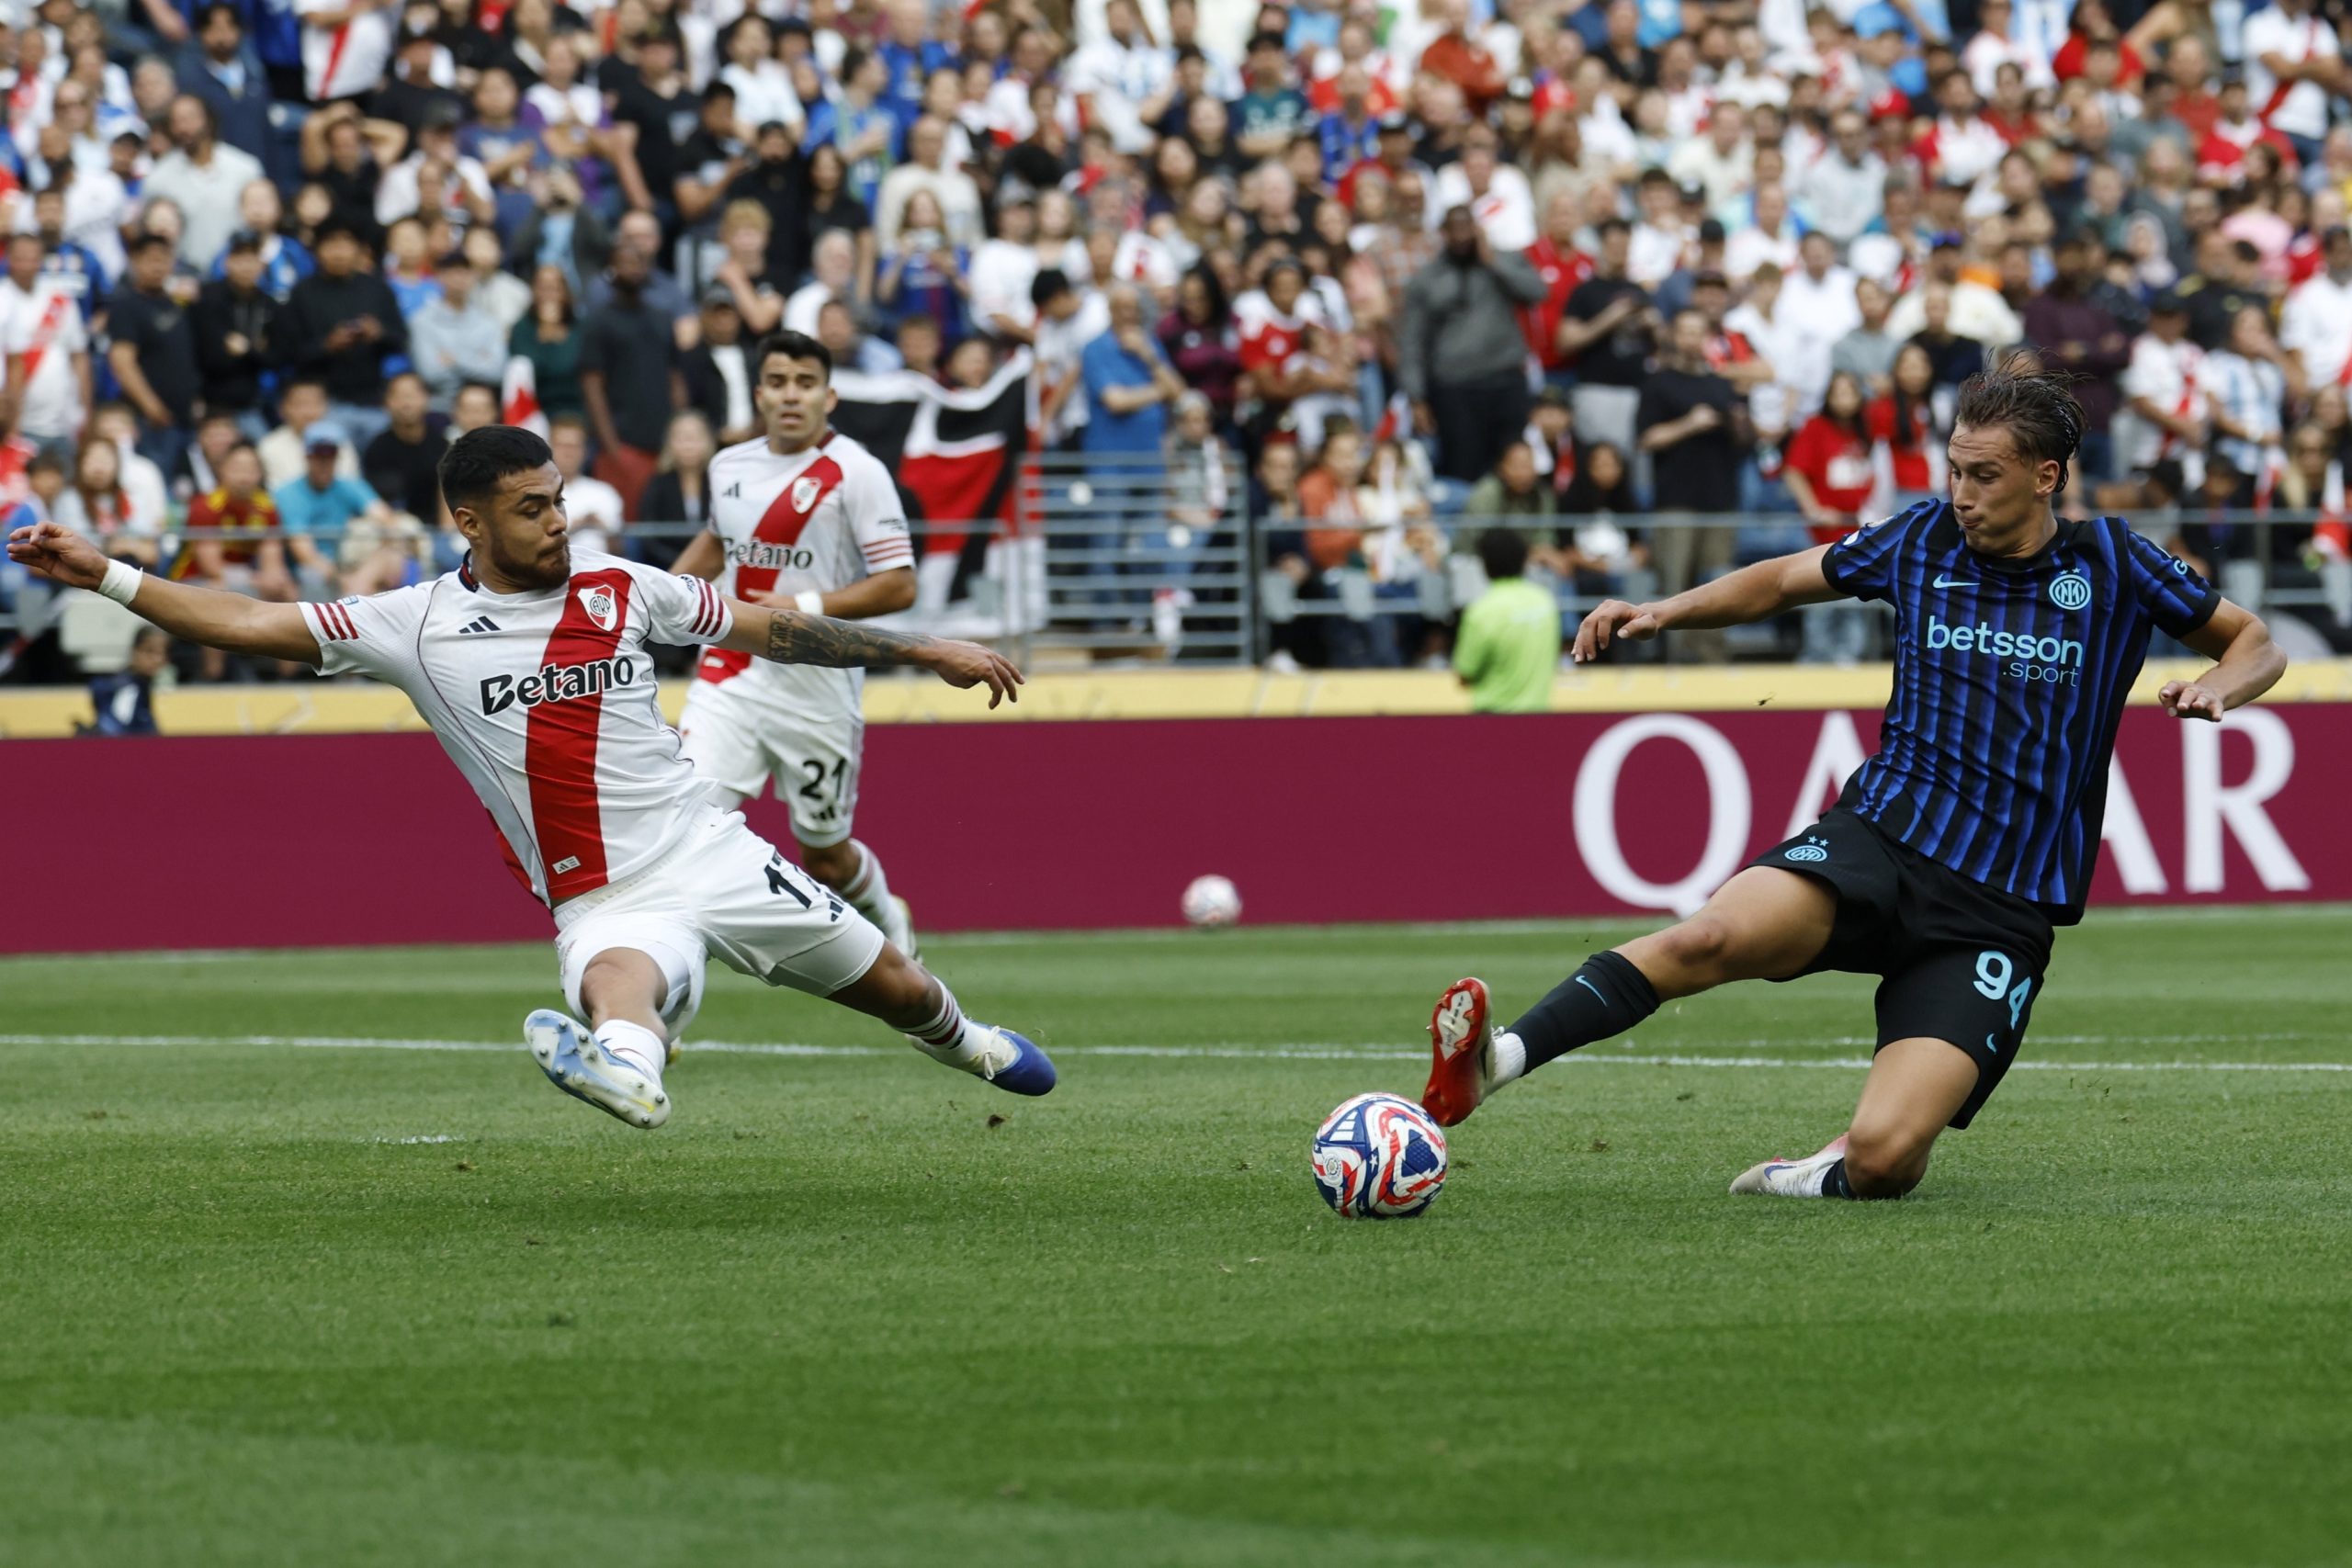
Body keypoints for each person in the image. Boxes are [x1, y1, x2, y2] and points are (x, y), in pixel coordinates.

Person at [1418, 355, 2286, 1201]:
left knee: (1886, 1161)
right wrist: (1661, 612)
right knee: (1705, 937)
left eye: (1984, 475)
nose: (1962, 492)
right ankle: (1495, 1062)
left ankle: (1821, 1168)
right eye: (1954, 469)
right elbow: (1783, 580)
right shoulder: (1921, 538)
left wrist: (2217, 687)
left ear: (2047, 476)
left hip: (1998, 908)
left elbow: (2257, 643)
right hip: (1879, 843)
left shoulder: (2113, 565)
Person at [8, 423, 1046, 1130]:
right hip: (600, 889)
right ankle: (628, 1080)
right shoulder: (411, 625)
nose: (558, 522)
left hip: (711, 846)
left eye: (557, 501)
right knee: (617, 984)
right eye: (530, 509)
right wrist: (107, 572)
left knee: (901, 990)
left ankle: (969, 1047)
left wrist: (922, 651)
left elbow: (773, 626)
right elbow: (241, 620)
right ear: (470, 522)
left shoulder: (622, 585)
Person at [670, 331, 925, 960]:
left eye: (805, 383)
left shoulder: (857, 473)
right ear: (758, 394)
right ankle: (658, 1015)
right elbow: (716, 543)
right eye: (779, 382)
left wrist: (802, 607)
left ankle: (888, 916)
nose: (792, 395)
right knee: (679, 836)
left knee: (826, 856)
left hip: (816, 686)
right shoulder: (728, 464)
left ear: (829, 395)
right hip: (730, 673)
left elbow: (900, 583)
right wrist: (660, 601)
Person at [1398, 204, 1545, 482]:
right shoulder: (1426, 279)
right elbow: (1412, 342)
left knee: (1514, 465)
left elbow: (1536, 291)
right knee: (1464, 469)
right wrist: (1416, 397)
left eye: (1468, 228)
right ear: (1443, 233)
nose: (1462, 236)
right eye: (1455, 229)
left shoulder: (1504, 260)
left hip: (1506, 382)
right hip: (1455, 390)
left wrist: (1494, 263)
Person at [1637, 308, 1746, 663]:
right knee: (1674, 586)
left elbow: (1746, 441)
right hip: (1676, 501)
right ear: (1674, 336)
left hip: (1720, 499)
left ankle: (1713, 661)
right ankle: (1674, 659)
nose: (1691, 339)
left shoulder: (1723, 384)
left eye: (1698, 332)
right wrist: (1689, 424)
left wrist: (1743, 422)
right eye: (1684, 331)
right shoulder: (1658, 383)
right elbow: (1646, 439)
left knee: (1720, 588)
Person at [579, 242, 684, 515]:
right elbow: (592, 386)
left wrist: (678, 431)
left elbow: (675, 377)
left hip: (664, 447)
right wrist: (612, 448)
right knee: (626, 532)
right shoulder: (599, 321)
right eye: (624, 262)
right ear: (611, 270)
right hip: (623, 445)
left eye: (637, 262)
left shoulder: (663, 318)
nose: (632, 269)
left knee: (664, 527)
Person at [281, 218, 405, 447]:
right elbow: (287, 352)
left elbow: (400, 339)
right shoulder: (302, 293)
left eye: (346, 243)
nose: (338, 251)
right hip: (325, 404)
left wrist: (378, 333)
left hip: (374, 401)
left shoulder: (377, 289)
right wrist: (328, 345)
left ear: (359, 250)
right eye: (330, 244)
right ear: (317, 250)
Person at [0, 231, 93, 455]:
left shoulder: (59, 298)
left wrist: (87, 409)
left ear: (41, 260)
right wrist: (10, 423)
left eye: (33, 258)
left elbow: (79, 356)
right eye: (20, 258)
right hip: (18, 424)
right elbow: (13, 365)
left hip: (63, 421)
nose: (26, 265)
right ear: (8, 259)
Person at [1453, 525, 1560, 714]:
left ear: (1485, 564)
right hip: (1540, 719)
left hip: (1492, 722)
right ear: (1524, 560)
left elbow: (1465, 675)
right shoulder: (1546, 602)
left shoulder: (1482, 611)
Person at [406, 248, 508, 413]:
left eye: (465, 271)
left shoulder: (489, 322)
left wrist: (455, 361)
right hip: (439, 407)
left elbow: (497, 372)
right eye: (453, 272)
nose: (459, 278)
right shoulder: (421, 321)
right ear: (439, 276)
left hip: (482, 409)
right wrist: (478, 360)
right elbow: (431, 374)